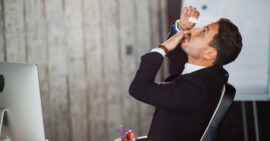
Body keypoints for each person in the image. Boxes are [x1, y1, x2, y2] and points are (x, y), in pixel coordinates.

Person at [128, 6, 242, 141]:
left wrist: (163, 48)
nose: (193, 30)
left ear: (210, 53)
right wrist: (182, 26)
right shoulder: (206, 74)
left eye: (203, 32)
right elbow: (178, 55)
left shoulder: (195, 90)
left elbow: (139, 88)